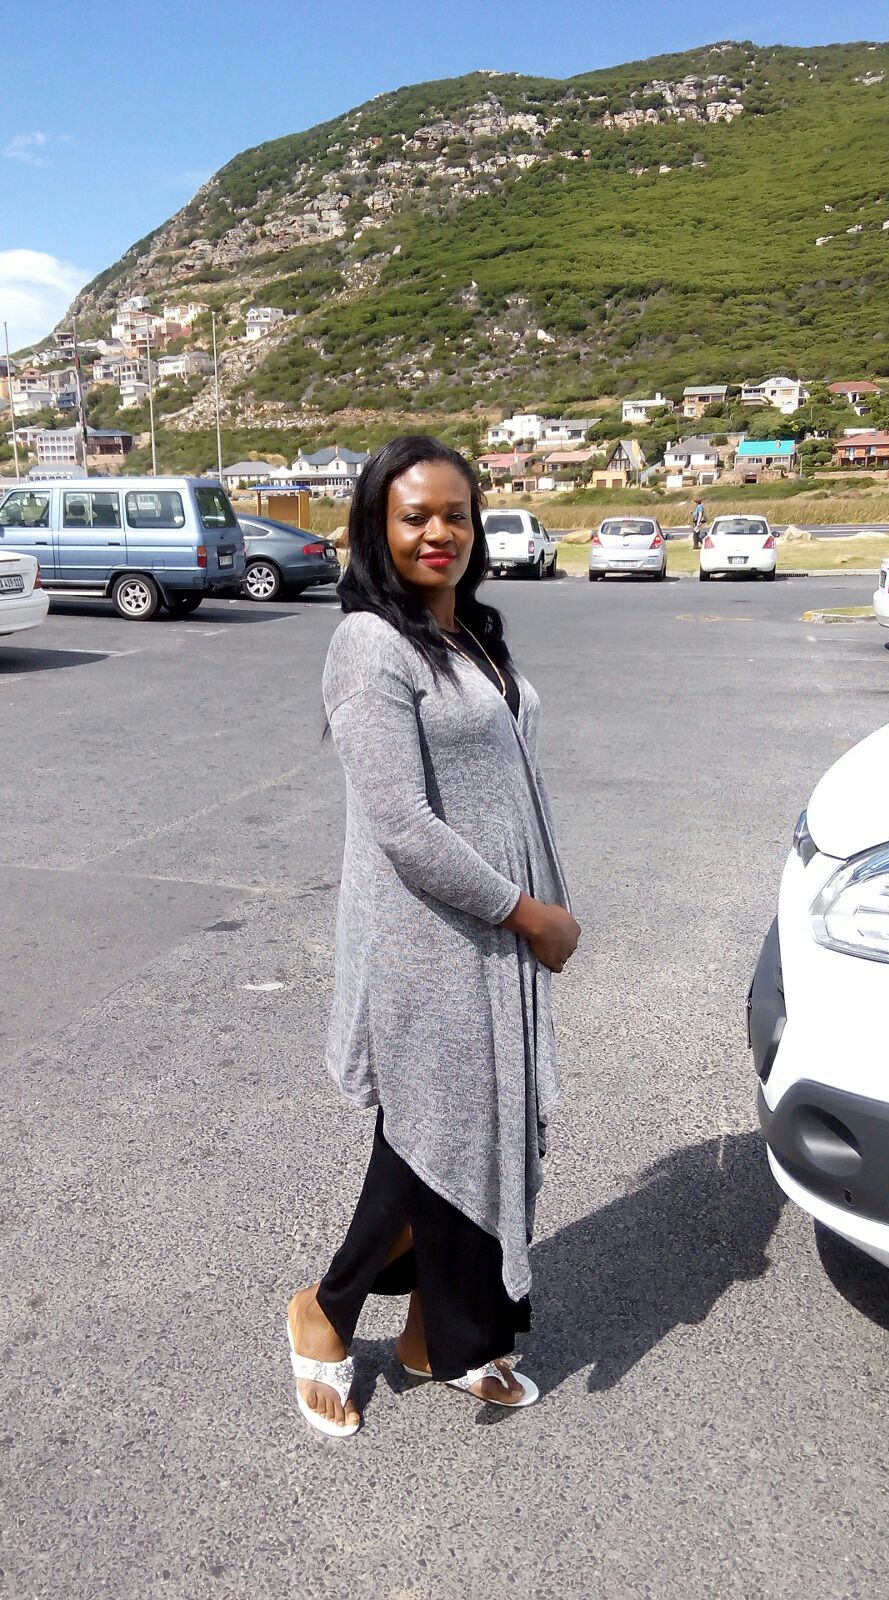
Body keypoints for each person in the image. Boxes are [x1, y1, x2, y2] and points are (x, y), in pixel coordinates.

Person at [286, 434, 580, 1438]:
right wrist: (529, 912)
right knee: (424, 1142)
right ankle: (325, 1310)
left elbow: (508, 783)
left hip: (486, 939)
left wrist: (535, 908)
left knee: (474, 1129)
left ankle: (434, 1337)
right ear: (378, 528)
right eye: (415, 516)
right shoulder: (371, 644)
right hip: (423, 945)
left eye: (456, 513)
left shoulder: (475, 634)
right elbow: (404, 828)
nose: (438, 532)